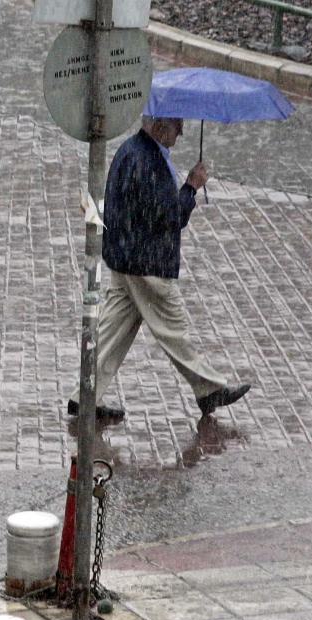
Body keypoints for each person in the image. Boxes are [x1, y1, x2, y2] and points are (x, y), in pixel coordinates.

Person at [66, 115, 251, 420]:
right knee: (173, 328)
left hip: (124, 258)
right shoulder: (149, 161)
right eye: (178, 124)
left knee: (113, 333)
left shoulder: (131, 150)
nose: (182, 131)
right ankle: (209, 389)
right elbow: (169, 219)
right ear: (160, 126)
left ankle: (84, 396)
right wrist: (190, 187)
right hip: (146, 264)